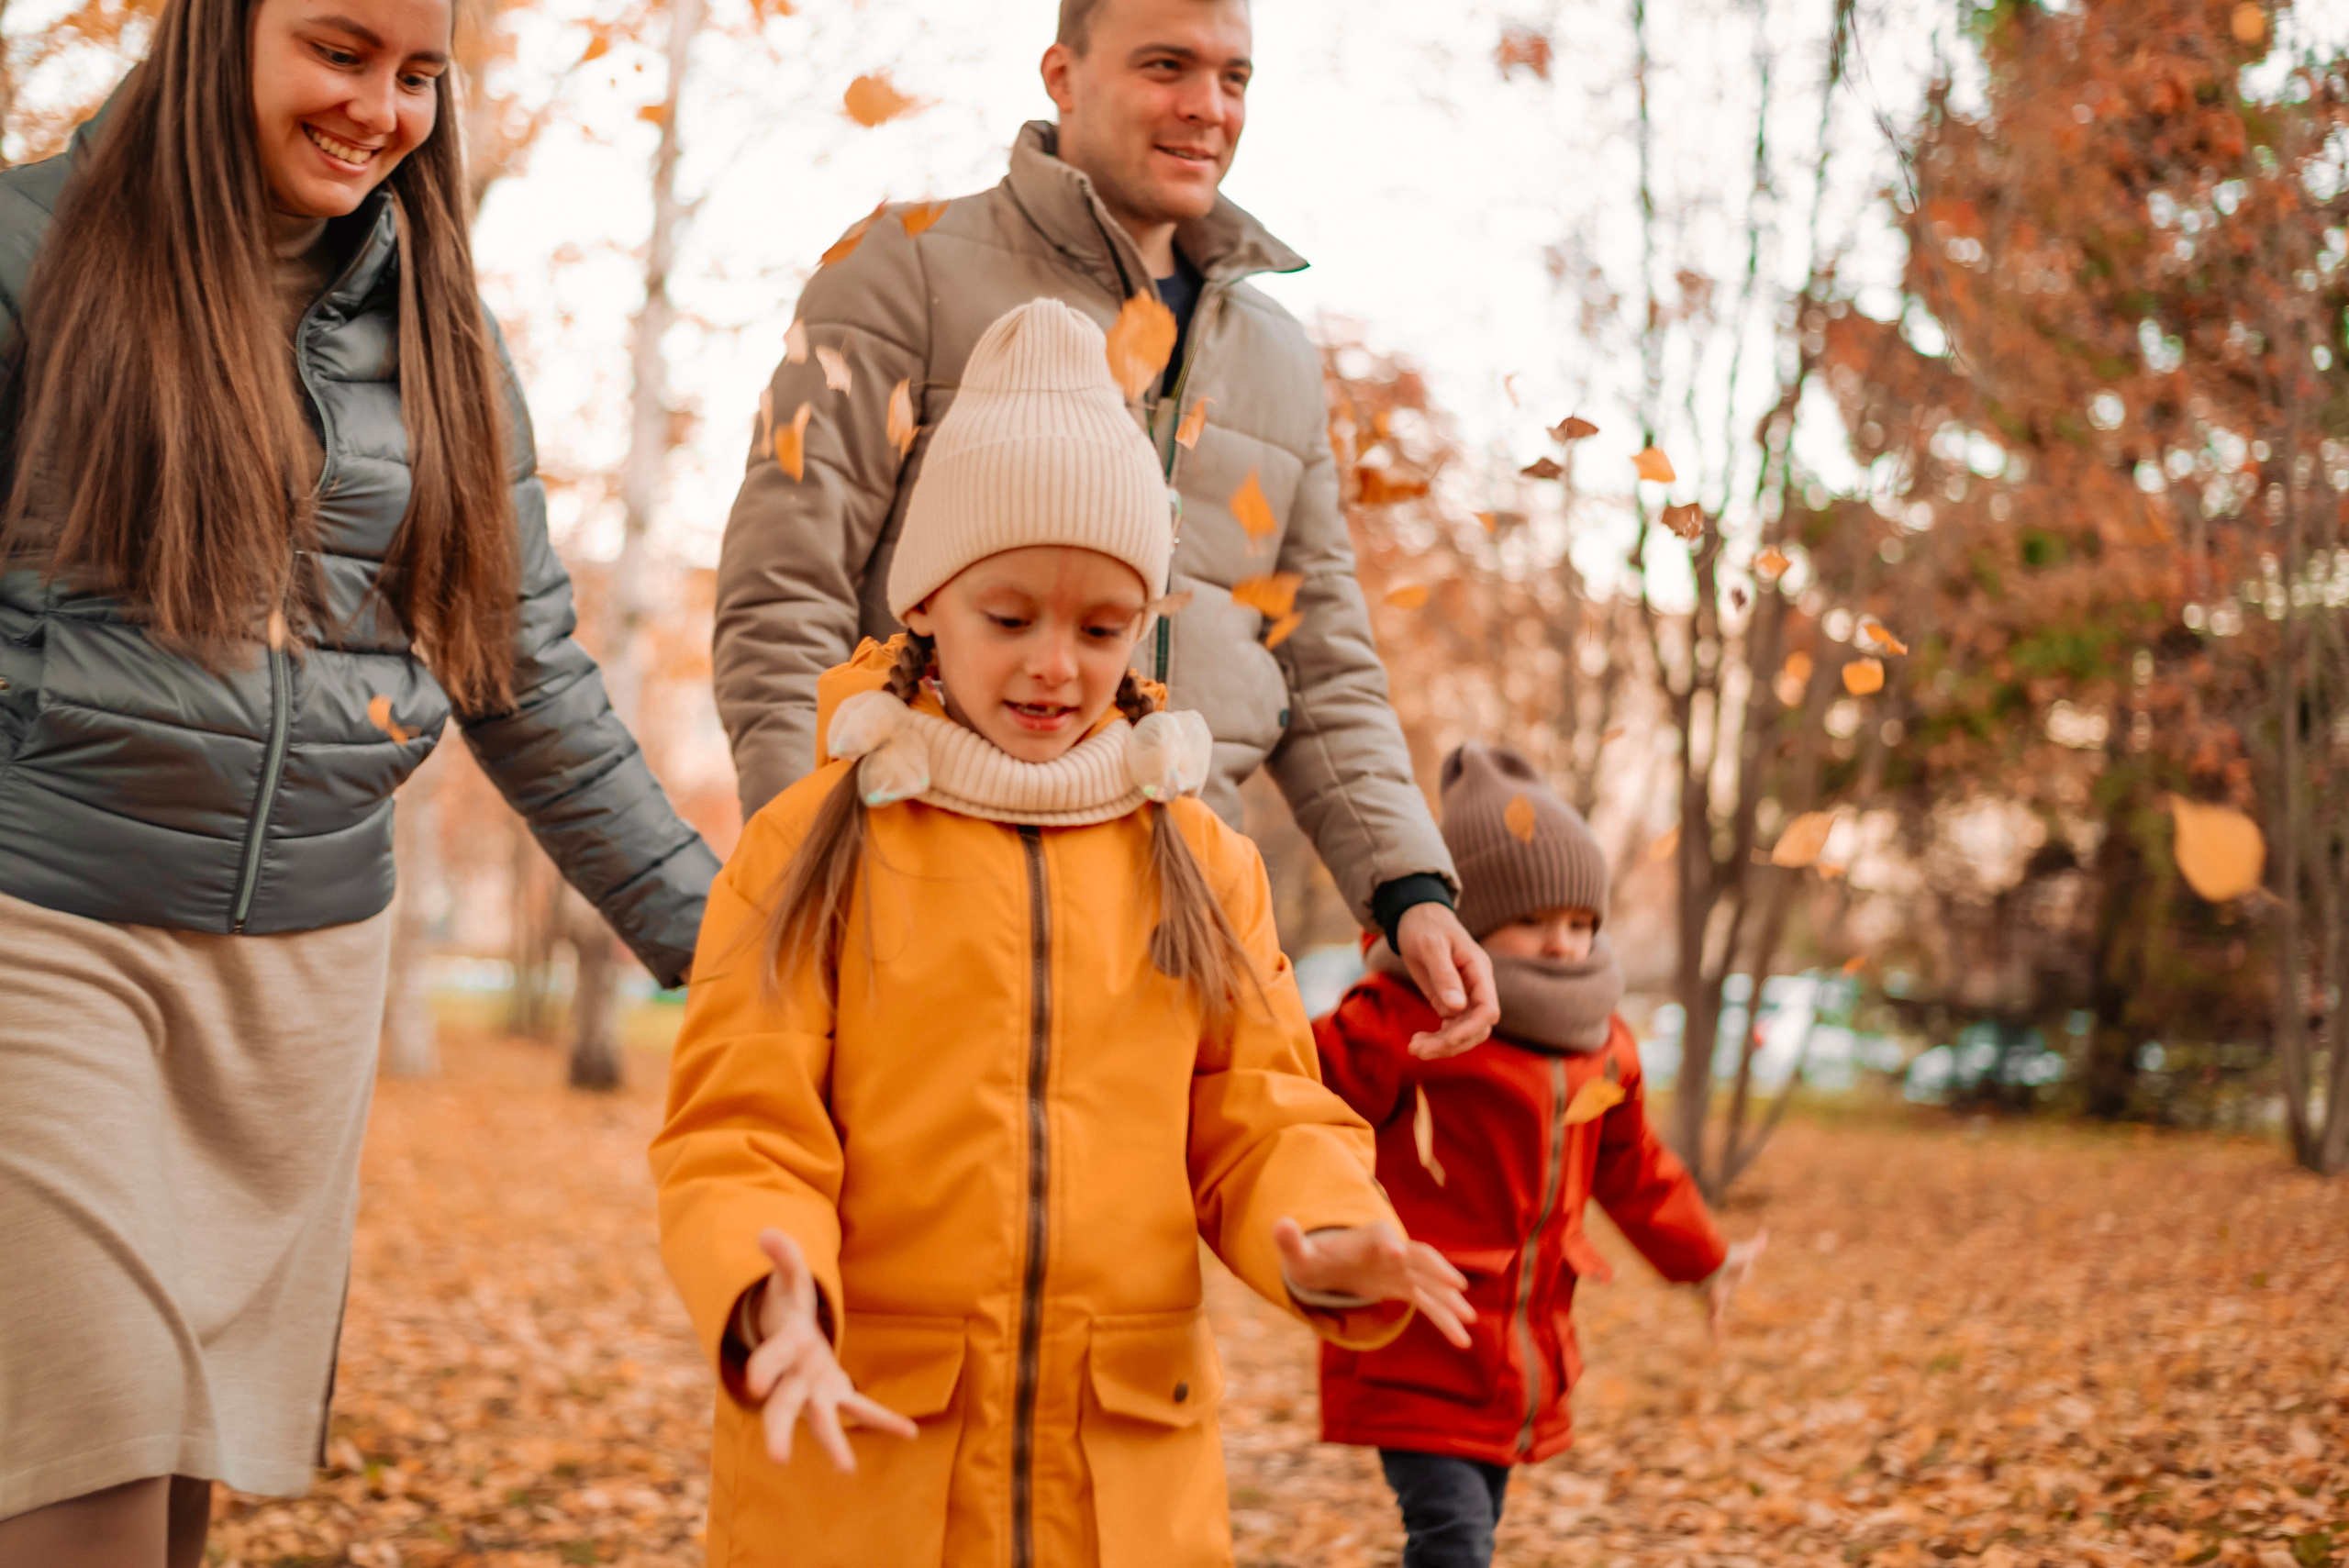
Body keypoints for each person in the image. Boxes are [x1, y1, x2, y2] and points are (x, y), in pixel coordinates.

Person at [0, 0, 718, 1562]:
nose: (381, 108)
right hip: (48, 932)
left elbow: (524, 680)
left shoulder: (445, 337)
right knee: (93, 1438)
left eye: (419, 75)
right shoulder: (27, 253)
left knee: (175, 1470)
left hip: (303, 975)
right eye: (340, 50)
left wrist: (727, 957)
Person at [653, 298, 1475, 1567]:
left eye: (1102, 627)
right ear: (927, 601)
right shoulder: (815, 843)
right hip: (866, 1471)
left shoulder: (1200, 857)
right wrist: (772, 1301)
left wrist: (1324, 1229)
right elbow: (738, 1131)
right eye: (1011, 616)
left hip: (1123, 1490)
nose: (1055, 664)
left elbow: (1261, 1115)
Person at [711, 0, 1500, 1057]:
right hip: (924, 910)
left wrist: (1407, 886)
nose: (1206, 108)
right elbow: (783, 590)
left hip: (1179, 929)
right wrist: (812, 856)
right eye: (1166, 66)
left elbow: (1316, 655)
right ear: (1062, 74)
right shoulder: (902, 266)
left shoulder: (1277, 355)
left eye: (1235, 79)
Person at [1312, 744, 1767, 1568]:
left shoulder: (1603, 1046)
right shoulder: (1405, 1015)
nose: (1563, 944)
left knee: (1469, 1528)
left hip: (1520, 1353)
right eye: (1535, 920)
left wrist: (1705, 1256)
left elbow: (1634, 1171)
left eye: (1580, 922)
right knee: (1452, 1539)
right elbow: (1301, 1096)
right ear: (1470, 924)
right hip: (1418, 1333)